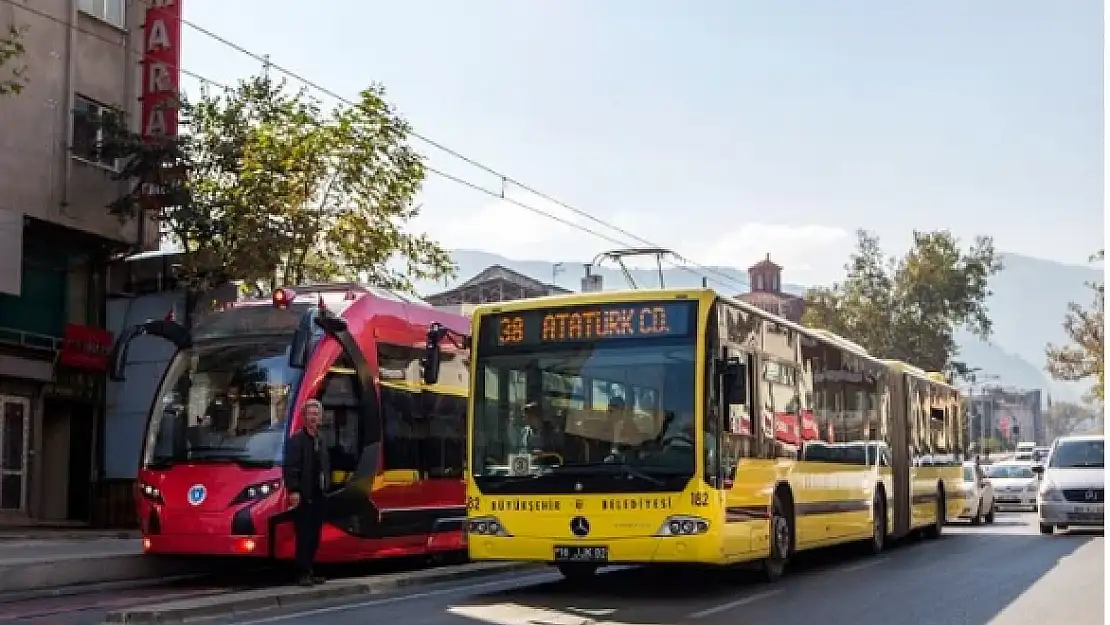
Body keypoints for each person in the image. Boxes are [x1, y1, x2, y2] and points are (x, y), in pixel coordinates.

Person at [282, 399, 331, 586]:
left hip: (319, 494)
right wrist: (294, 490)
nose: (314, 417)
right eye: (310, 414)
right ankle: (302, 572)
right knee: (304, 535)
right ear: (304, 417)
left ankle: (310, 570)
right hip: (303, 495)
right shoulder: (297, 440)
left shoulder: (322, 439)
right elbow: (291, 467)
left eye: (316, 414)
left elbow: (326, 464)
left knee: (315, 536)